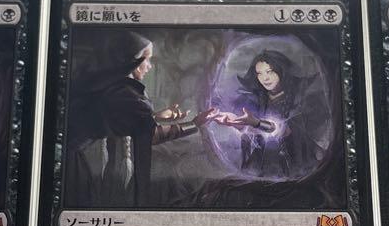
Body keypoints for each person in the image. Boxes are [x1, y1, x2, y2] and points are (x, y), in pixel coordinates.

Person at [66, 29, 218, 206]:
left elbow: (122, 122)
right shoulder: (127, 95)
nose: (150, 66)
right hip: (86, 168)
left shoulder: (110, 87)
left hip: (84, 161)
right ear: (135, 61)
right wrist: (195, 124)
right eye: (148, 60)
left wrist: (156, 116)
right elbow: (149, 135)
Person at [214, 49, 326, 179]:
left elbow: (284, 130)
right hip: (263, 163)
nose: (265, 78)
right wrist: (234, 121)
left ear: (281, 70)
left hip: (295, 160)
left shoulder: (300, 98)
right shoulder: (258, 98)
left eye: (269, 71)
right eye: (259, 73)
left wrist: (257, 123)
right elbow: (253, 129)